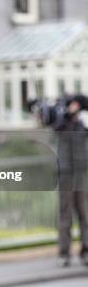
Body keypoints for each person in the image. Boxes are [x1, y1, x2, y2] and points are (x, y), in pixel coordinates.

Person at [53, 97, 88, 267]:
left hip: (81, 174)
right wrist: (68, 113)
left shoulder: (82, 125)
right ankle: (64, 252)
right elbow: (56, 124)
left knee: (84, 215)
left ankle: (86, 250)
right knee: (65, 215)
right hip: (66, 175)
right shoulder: (62, 124)